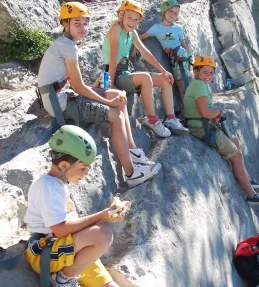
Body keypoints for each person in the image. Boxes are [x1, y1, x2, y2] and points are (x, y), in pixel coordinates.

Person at [37, 2, 160, 188]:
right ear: (65, 24)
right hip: (60, 103)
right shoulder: (67, 46)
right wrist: (105, 101)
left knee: (118, 95)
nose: (83, 28)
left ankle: (134, 152)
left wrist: (96, 89)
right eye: (77, 23)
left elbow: (75, 84)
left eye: (85, 23)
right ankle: (131, 173)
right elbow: (78, 88)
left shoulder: (66, 44)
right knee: (116, 114)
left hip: (61, 96)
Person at [24, 125, 129, 287]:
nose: (85, 174)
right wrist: (101, 216)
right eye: (82, 169)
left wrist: (110, 211)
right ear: (65, 166)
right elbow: (60, 229)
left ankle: (67, 275)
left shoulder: (56, 184)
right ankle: (62, 279)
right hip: (44, 253)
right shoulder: (48, 187)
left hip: (66, 250)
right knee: (103, 234)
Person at [183, 56, 259, 206]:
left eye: (211, 73)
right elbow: (205, 112)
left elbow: (203, 112)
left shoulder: (198, 84)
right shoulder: (199, 86)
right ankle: (251, 194)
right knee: (235, 154)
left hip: (201, 124)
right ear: (196, 71)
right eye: (205, 72)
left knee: (235, 140)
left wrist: (215, 113)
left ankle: (245, 176)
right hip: (200, 128)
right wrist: (218, 111)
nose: (208, 76)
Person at [101, 0, 189, 137]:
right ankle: (152, 120)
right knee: (145, 77)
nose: (132, 22)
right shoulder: (116, 28)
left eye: (136, 19)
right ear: (121, 15)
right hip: (115, 75)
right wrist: (110, 84)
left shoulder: (132, 33)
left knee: (165, 79)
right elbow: (113, 58)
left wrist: (163, 71)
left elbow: (146, 53)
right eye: (129, 17)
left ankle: (171, 119)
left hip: (126, 72)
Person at [131, 0, 190, 115]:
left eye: (176, 13)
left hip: (179, 56)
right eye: (170, 11)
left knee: (181, 83)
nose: (173, 15)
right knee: (179, 83)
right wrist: (135, 48)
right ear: (164, 12)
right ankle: (186, 110)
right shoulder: (157, 28)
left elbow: (183, 45)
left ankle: (186, 111)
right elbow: (141, 37)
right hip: (173, 57)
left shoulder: (178, 28)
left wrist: (182, 55)